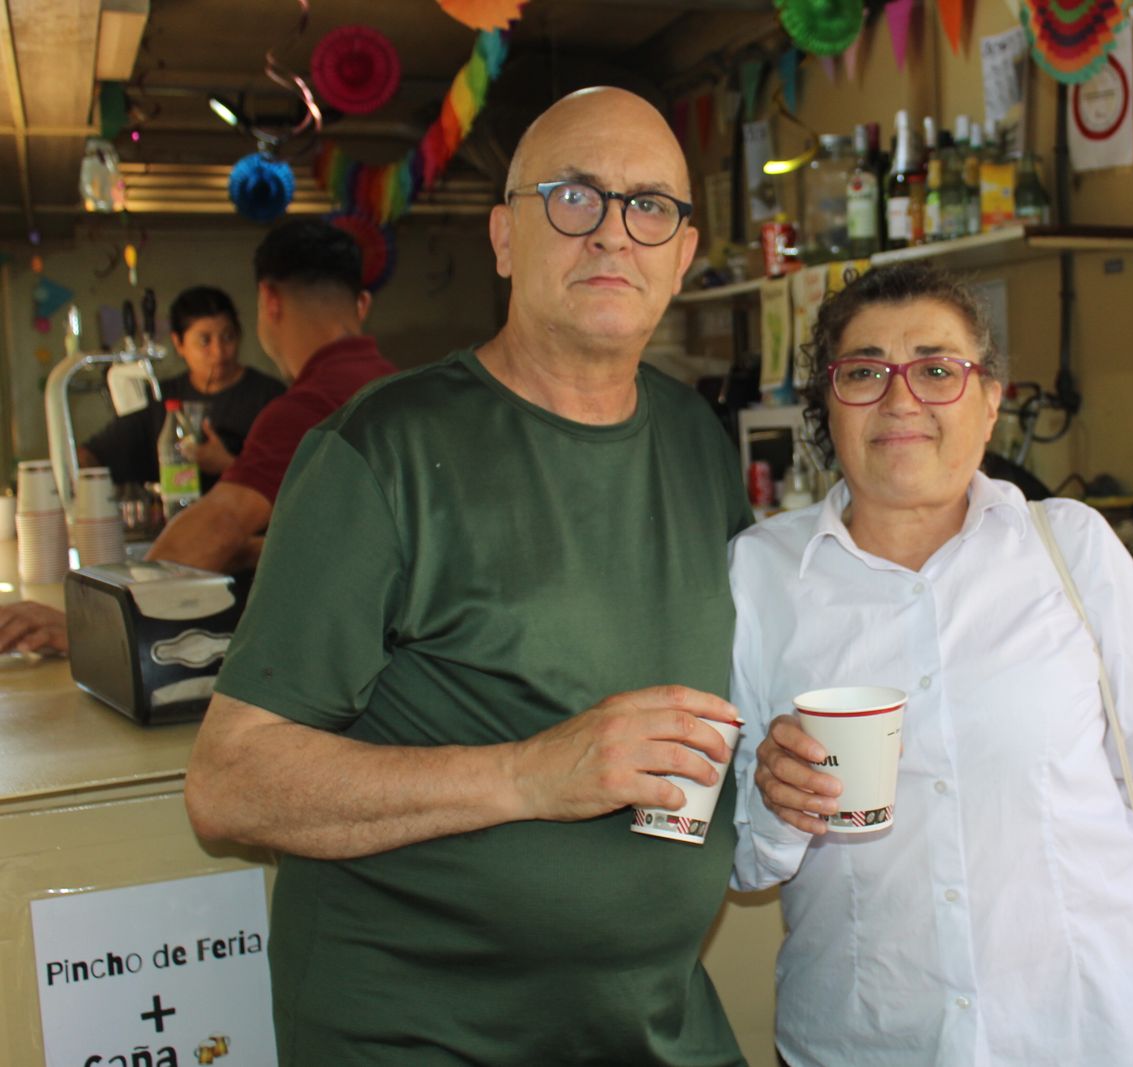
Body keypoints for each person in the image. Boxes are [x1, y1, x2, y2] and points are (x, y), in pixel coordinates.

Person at [183, 88, 751, 1065]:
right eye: (575, 197)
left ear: (684, 252)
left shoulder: (699, 442)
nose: (614, 233)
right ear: (502, 236)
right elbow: (229, 785)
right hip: (421, 1036)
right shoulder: (378, 451)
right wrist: (533, 772)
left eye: (650, 206)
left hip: (650, 1024)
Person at [729, 263, 1133, 1067]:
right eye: (865, 371)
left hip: (1110, 1037)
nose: (902, 399)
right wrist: (775, 805)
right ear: (827, 405)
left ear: (990, 400)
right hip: (867, 1045)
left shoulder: (1072, 547)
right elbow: (735, 855)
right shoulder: (758, 576)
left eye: (938, 369)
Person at [0, 220, 395, 654]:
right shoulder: (400, 386)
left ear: (269, 299)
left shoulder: (304, 406)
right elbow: (375, 544)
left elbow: (219, 526)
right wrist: (254, 550)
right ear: (362, 304)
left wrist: (92, 625)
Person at [79, 285, 285, 491]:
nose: (219, 352)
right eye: (205, 340)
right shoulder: (162, 398)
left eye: (228, 337)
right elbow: (94, 453)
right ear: (178, 343)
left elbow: (289, 482)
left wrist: (227, 464)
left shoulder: (270, 397)